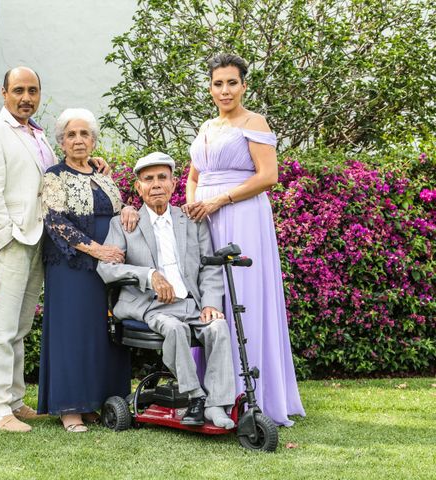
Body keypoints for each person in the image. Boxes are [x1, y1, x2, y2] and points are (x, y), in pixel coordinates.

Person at [0, 67, 137, 433]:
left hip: (41, 245)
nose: (25, 97)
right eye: (18, 90)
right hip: (15, 242)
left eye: (32, 90)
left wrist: (95, 165)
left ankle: (15, 401)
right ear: (4, 93)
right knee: (2, 326)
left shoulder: (40, 137)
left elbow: (63, 172)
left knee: (21, 327)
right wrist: (4, 238)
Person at [183, 53, 305, 426]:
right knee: (210, 297)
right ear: (210, 87)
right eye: (218, 83)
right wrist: (192, 206)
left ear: (243, 85)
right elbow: (193, 176)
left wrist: (220, 199)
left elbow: (269, 176)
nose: (225, 90)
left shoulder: (255, 122)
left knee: (245, 297)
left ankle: (251, 394)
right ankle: (212, 393)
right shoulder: (206, 126)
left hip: (242, 217)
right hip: (207, 219)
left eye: (232, 83)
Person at [97, 152, 236, 428]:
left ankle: (216, 405)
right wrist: (148, 275)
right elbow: (106, 269)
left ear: (174, 184)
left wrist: (210, 303)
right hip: (150, 306)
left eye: (163, 177)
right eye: (148, 179)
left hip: (190, 304)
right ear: (139, 187)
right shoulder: (124, 223)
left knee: (218, 327)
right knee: (174, 329)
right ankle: (195, 396)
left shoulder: (193, 221)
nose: (156, 184)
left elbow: (209, 266)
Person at [38, 108, 131, 432]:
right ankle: (70, 409)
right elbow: (55, 221)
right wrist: (96, 249)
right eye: (71, 135)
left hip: (108, 270)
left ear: (93, 140)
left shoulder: (103, 175)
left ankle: (98, 402)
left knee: (102, 336)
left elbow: (118, 210)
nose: (78, 140)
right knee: (73, 334)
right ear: (61, 141)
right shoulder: (54, 175)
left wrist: (130, 210)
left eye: (84, 134)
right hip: (72, 267)